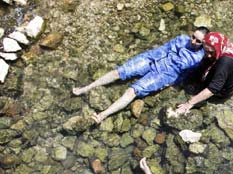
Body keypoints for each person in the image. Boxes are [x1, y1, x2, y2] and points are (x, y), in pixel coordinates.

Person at [72, 27, 210, 123]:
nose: (193, 42)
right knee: (119, 72)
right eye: (193, 37)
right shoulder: (181, 38)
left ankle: (102, 115)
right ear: (191, 33)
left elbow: (185, 75)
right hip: (151, 58)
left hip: (163, 74)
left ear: (203, 43)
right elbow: (164, 47)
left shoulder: (198, 58)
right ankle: (86, 88)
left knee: (132, 91)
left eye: (198, 41)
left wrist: (171, 83)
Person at [175, 32, 233, 115]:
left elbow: (213, 89)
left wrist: (189, 103)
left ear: (218, 48)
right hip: (229, 70)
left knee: (190, 89)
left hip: (223, 91)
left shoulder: (225, 62)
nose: (208, 55)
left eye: (211, 52)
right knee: (199, 67)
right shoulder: (223, 47)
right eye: (206, 51)